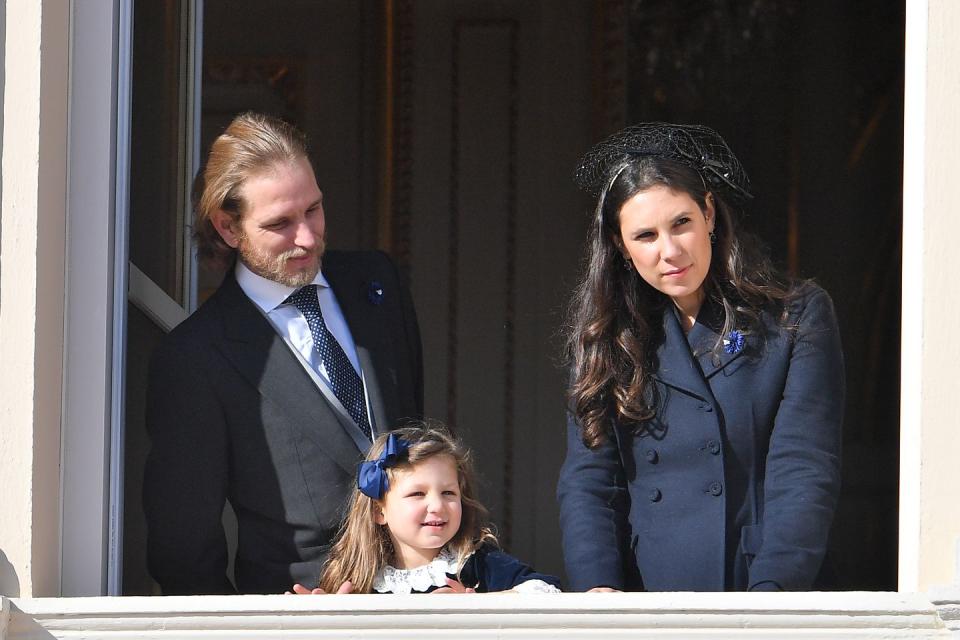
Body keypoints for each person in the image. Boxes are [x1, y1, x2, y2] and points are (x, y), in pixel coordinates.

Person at [143, 112, 423, 594]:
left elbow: (416, 437)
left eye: (313, 210)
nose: (308, 238)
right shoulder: (196, 357)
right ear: (228, 228)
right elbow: (183, 549)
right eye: (280, 223)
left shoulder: (377, 282)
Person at [556, 123, 844, 592]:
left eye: (681, 223)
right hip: (646, 595)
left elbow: (804, 467)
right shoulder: (605, 339)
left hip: (760, 585)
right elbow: (590, 481)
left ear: (708, 212)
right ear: (620, 247)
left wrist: (773, 596)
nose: (669, 252)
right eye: (645, 235)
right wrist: (598, 593)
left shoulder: (794, 316)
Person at [291, 424, 561, 594]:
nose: (437, 505)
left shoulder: (474, 562)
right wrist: (322, 618)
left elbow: (545, 590)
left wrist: (480, 608)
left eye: (448, 493)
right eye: (417, 494)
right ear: (378, 511)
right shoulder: (359, 580)